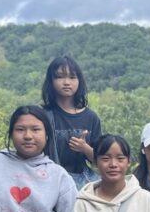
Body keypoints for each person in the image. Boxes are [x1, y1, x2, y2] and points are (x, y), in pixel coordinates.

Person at [41, 55, 103, 189]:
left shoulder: (91, 117)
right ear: (50, 81)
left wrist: (85, 148)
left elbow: (101, 160)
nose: (66, 82)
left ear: (79, 81)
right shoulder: (43, 116)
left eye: (72, 77)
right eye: (60, 77)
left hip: (82, 183)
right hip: (48, 181)